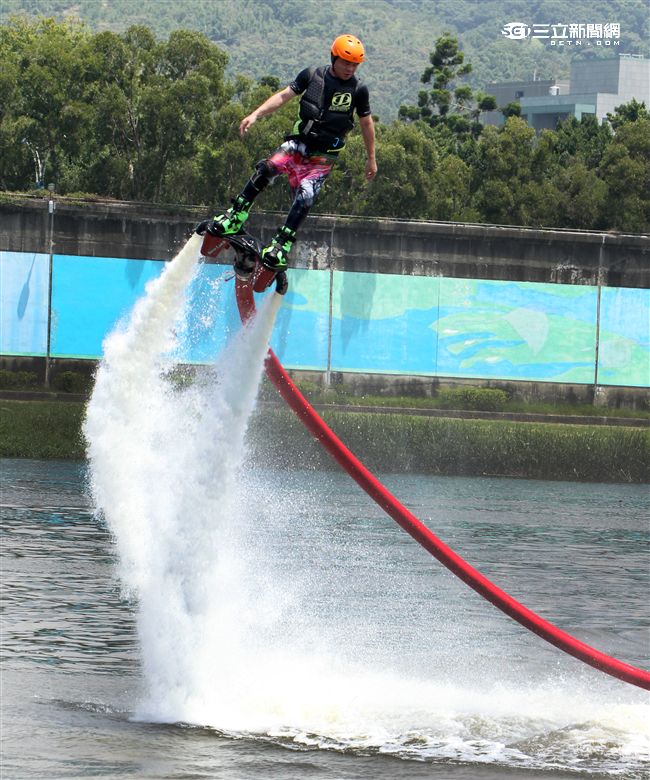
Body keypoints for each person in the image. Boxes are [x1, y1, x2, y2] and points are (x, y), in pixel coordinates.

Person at [202, 34, 377, 271]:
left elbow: (367, 124)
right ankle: (236, 216)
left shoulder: (359, 89)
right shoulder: (312, 75)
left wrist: (371, 158)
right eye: (346, 62)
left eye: (355, 64)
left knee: (306, 197)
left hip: (323, 156)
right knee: (267, 168)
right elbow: (284, 96)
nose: (350, 68)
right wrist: (256, 114)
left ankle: (281, 245)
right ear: (334, 57)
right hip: (298, 144)